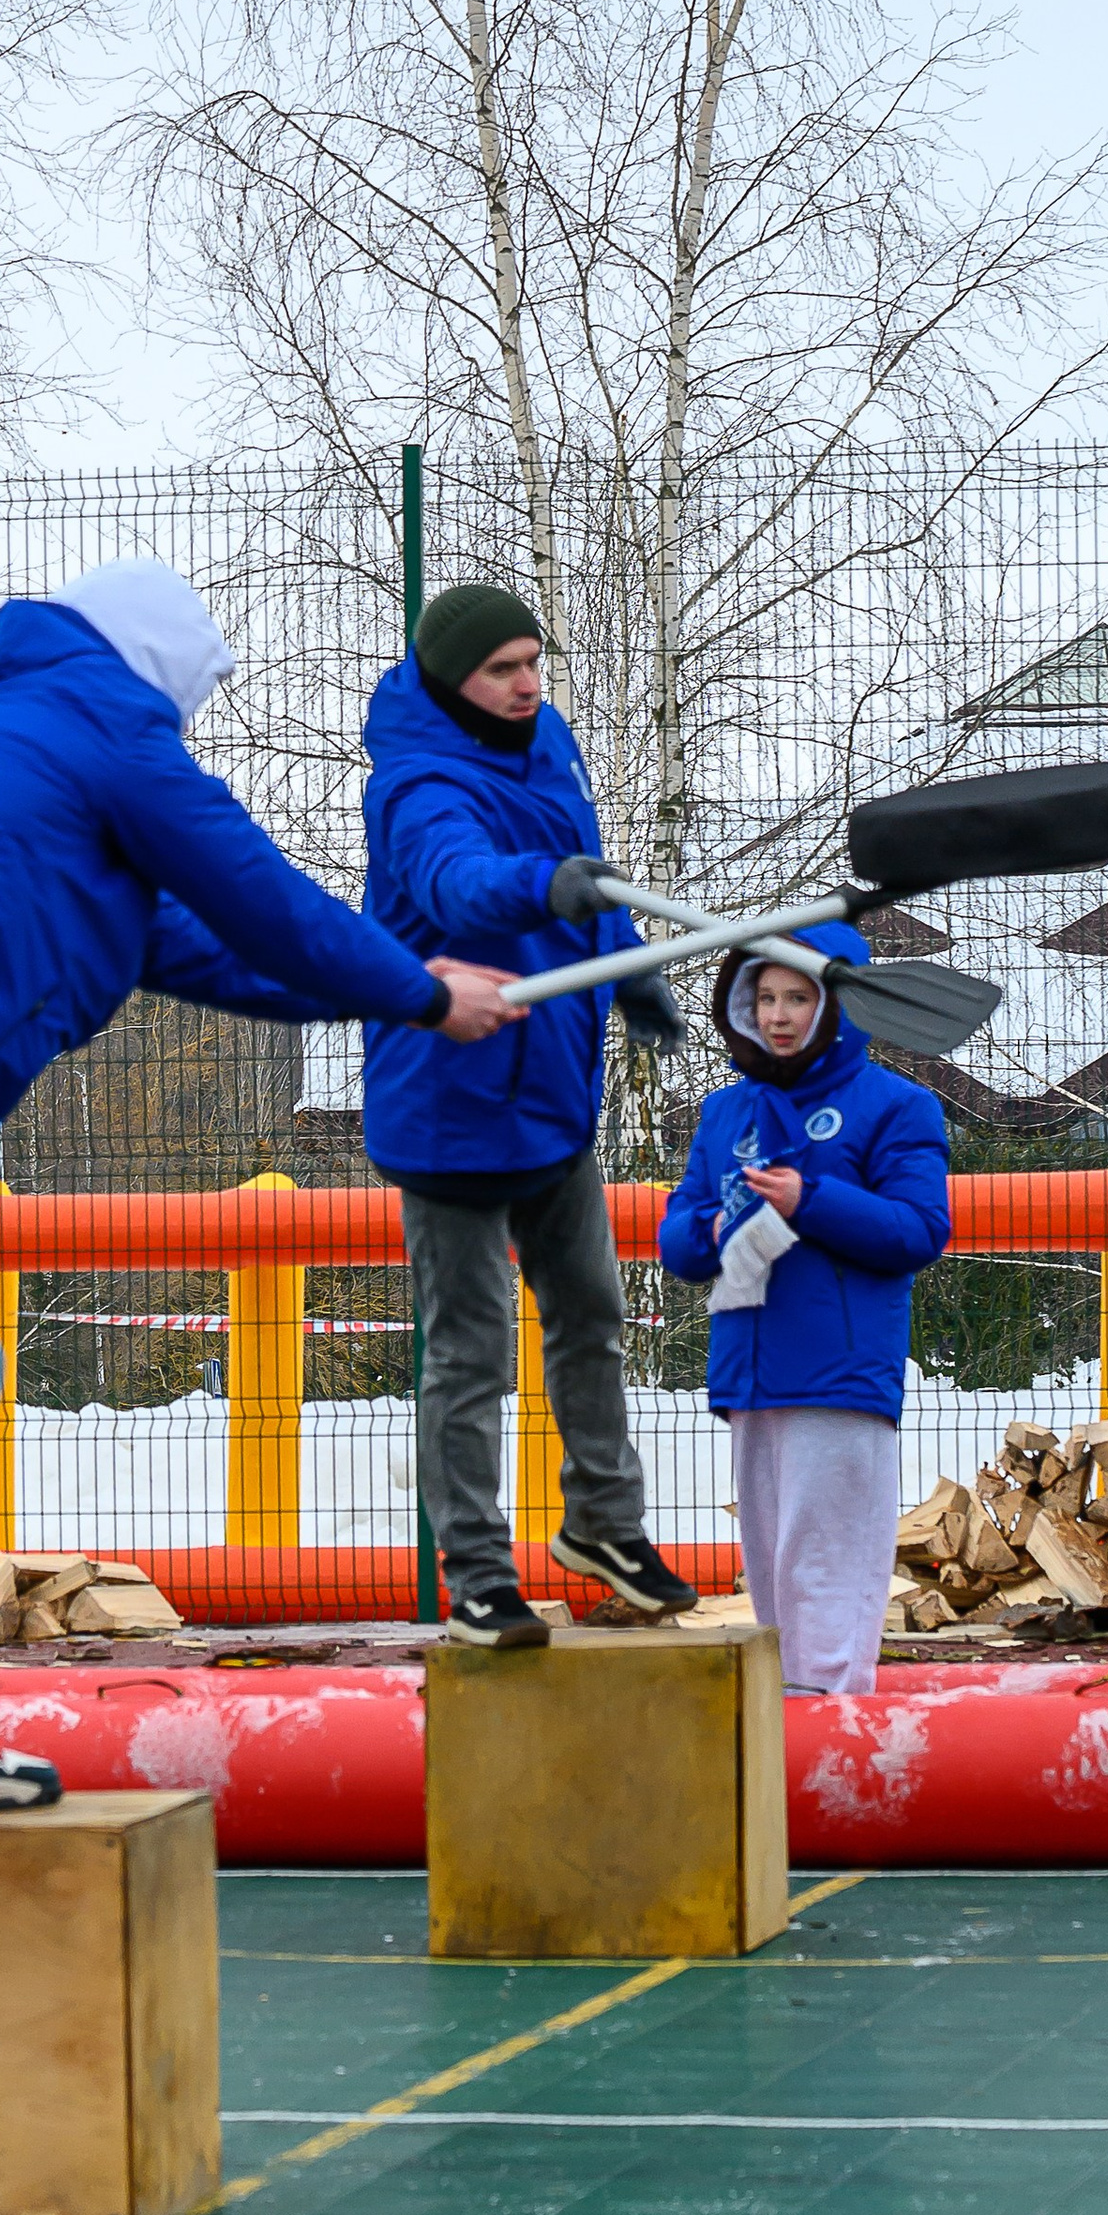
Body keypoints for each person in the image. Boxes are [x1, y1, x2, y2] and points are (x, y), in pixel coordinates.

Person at [0, 558, 516, 1833]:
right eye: (191, 697)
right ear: (155, 668)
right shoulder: (102, 727)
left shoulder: (53, 770)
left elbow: (227, 952)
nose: (189, 724)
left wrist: (408, 973)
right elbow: (261, 896)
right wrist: (421, 994)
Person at [361, 581, 697, 1647]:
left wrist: (625, 967)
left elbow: (583, 876)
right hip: (450, 1102)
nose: (526, 684)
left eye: (533, 662)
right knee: (468, 1351)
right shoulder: (416, 785)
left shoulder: (545, 742)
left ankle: (603, 1523)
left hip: (552, 1096)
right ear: (451, 676)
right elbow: (461, 887)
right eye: (502, 668)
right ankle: (475, 1571)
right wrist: (543, 883)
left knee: (591, 1317)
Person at [656, 928, 950, 1698]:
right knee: (774, 1565)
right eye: (765, 997)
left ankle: (831, 1733)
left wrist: (808, 1199)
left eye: (797, 997)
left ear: (834, 1004)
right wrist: (713, 1228)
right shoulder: (726, 1113)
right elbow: (679, 1239)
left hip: (841, 1376)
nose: (778, 1014)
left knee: (826, 1560)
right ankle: (790, 1736)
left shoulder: (897, 1105)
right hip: (750, 1376)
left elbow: (918, 1230)